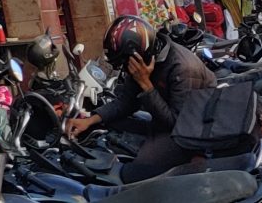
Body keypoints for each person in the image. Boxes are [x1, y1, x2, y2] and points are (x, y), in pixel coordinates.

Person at [67, 16, 215, 183]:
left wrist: (145, 84)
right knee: (108, 126)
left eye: (124, 62)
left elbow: (175, 123)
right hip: (164, 121)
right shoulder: (144, 61)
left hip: (192, 132)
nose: (124, 68)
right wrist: (89, 120)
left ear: (137, 54)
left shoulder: (182, 68)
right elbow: (126, 102)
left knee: (137, 171)